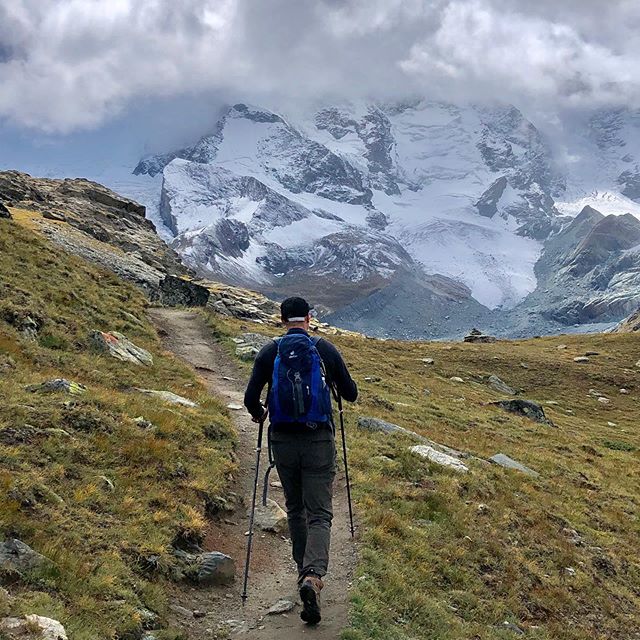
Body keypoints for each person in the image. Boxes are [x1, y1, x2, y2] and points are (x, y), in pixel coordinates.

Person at [244, 296, 358, 625]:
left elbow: (251, 398)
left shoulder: (270, 351)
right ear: (309, 318)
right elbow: (350, 393)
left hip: (283, 440)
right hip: (318, 439)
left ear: (281, 320)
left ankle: (302, 573)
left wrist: (259, 413)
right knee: (320, 513)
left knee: (296, 510)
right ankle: (313, 578)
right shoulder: (324, 349)